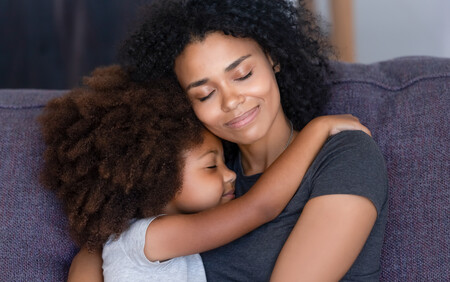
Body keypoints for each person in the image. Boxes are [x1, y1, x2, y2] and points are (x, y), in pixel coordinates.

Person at [40, 65, 371, 281]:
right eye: (212, 165)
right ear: (159, 178)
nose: (230, 176)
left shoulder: (125, 241)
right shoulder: (153, 237)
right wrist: (318, 129)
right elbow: (260, 207)